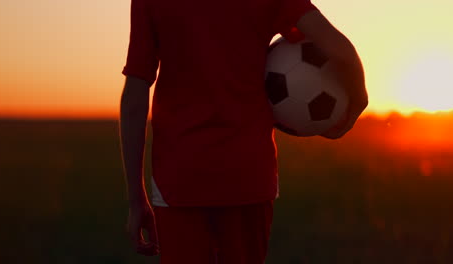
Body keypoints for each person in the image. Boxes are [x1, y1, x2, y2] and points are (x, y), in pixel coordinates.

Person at [119, 0, 368, 262]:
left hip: (180, 180)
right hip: (248, 178)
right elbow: (342, 52)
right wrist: (356, 104)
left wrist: (136, 200)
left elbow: (136, 95)